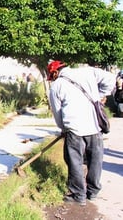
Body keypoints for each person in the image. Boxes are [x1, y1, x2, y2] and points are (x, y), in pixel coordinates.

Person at [47, 60, 115, 206]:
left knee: (75, 162)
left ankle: (79, 195)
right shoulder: (87, 72)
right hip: (94, 126)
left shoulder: (56, 86)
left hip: (74, 128)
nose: (52, 79)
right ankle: (93, 191)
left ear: (55, 72)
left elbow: (58, 114)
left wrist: (63, 129)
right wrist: (99, 95)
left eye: (52, 76)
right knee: (95, 160)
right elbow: (110, 79)